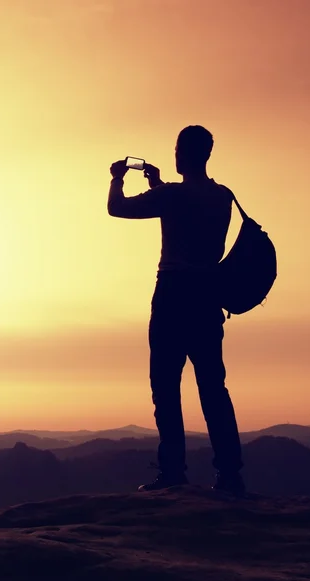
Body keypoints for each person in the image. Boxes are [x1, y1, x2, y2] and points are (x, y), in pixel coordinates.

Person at [107, 125, 245, 496]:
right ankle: (230, 474)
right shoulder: (222, 196)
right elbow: (189, 215)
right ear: (208, 154)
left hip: (172, 294)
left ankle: (173, 472)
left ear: (182, 153)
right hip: (207, 296)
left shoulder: (172, 196)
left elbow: (117, 209)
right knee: (213, 387)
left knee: (166, 385)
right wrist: (159, 185)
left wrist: (117, 179)